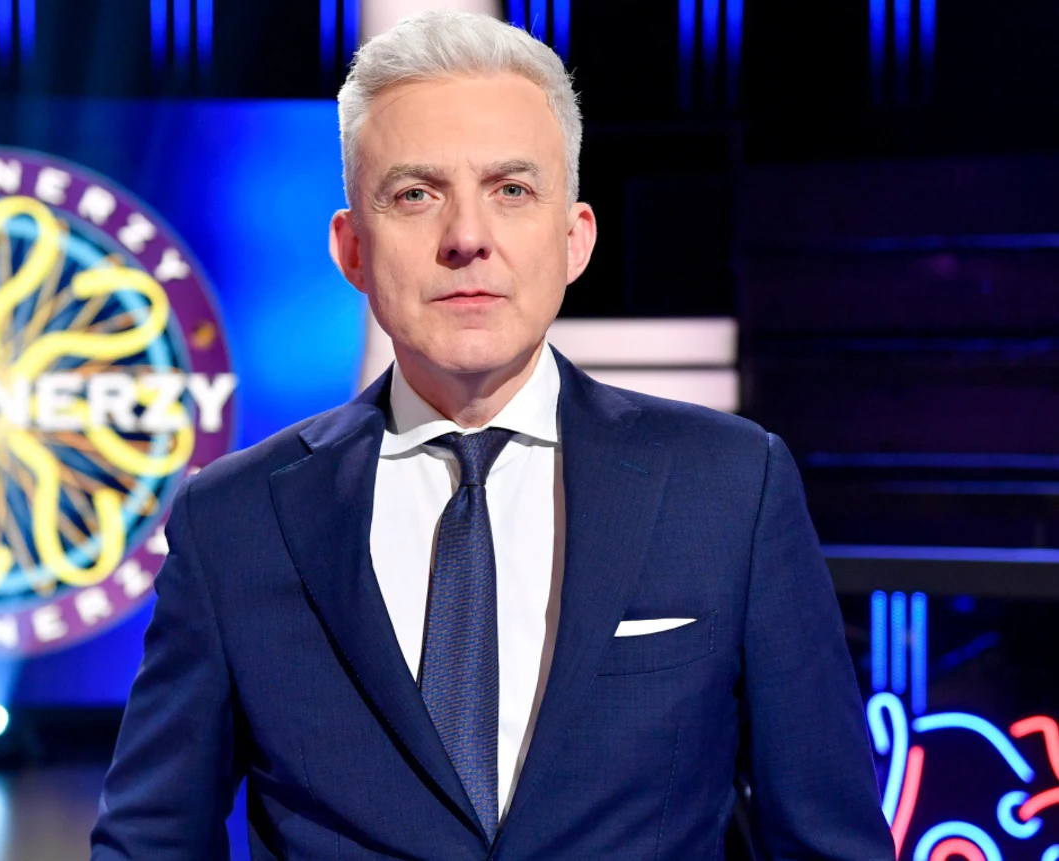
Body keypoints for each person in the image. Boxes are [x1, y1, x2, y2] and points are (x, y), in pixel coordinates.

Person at [92, 10, 894, 860]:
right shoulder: (234, 520)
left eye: (511, 190)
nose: (467, 238)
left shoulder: (731, 487)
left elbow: (828, 844)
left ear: (575, 239)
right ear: (352, 249)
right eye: (416, 194)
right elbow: (151, 843)